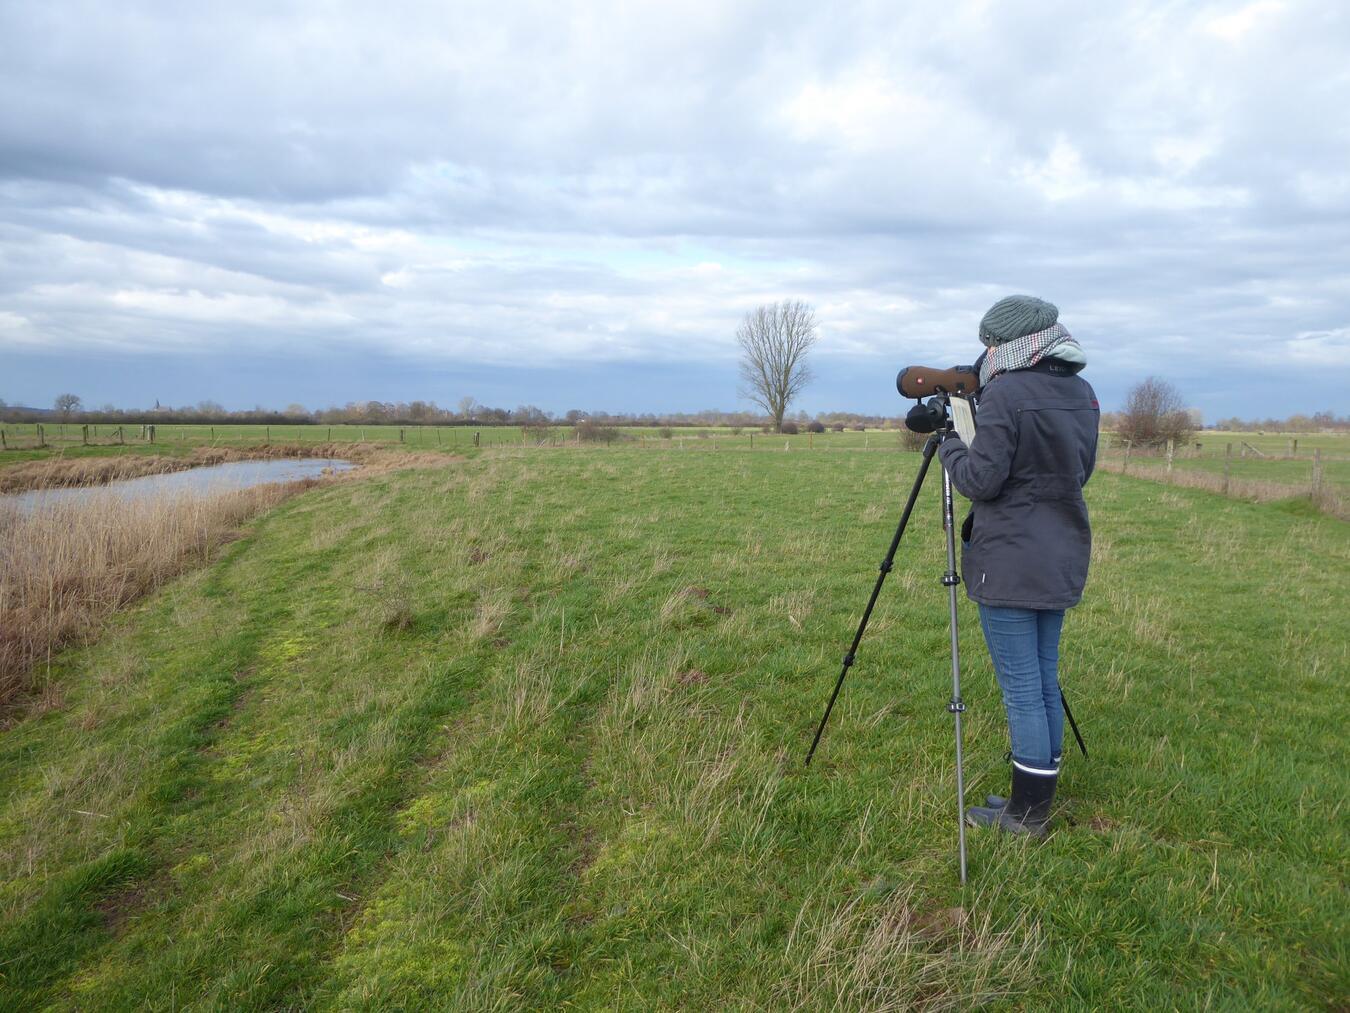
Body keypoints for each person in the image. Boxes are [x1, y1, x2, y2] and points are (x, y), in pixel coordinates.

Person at [936, 294, 1099, 838]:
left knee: (1023, 689)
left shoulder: (1005, 392)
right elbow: (1081, 472)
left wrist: (949, 445)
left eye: (990, 344)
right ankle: (1035, 794)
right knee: (1044, 679)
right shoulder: (1082, 392)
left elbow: (980, 481)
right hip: (1063, 550)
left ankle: (1027, 816)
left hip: (1009, 558)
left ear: (1006, 344)